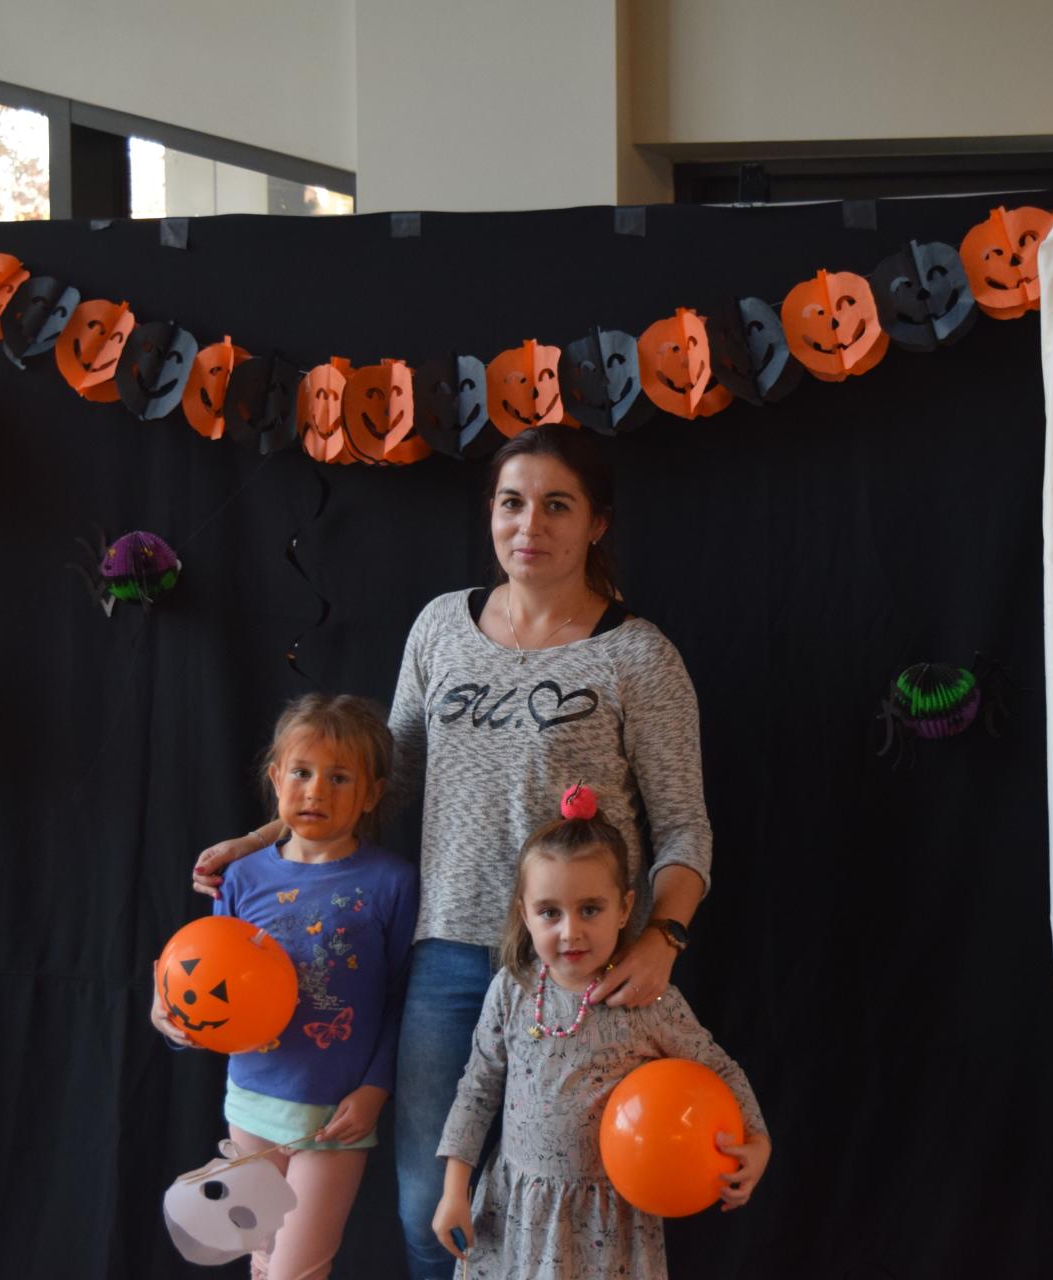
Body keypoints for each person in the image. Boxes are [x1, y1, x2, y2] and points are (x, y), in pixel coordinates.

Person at [192, 426, 715, 1279]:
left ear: (597, 523)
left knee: (571, 1206)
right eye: (512, 503)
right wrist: (263, 839)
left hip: (578, 964)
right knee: (428, 1210)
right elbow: (381, 778)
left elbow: (685, 826)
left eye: (557, 505)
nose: (529, 525)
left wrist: (664, 936)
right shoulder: (442, 627)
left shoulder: (638, 655)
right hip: (446, 955)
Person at [430, 788, 768, 1278]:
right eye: (550, 912)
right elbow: (478, 1090)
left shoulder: (647, 1000)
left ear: (625, 908)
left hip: (605, 1225)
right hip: (518, 1213)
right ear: (524, 913)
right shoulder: (511, 990)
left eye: (590, 909)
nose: (570, 931)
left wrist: (758, 1141)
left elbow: (719, 1069)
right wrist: (453, 1190)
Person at [154, 693, 419, 1280]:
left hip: (335, 1120)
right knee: (264, 1261)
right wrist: (171, 1019)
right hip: (251, 1106)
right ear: (276, 779)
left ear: (371, 794)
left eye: (339, 777)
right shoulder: (241, 877)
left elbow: (402, 995)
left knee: (297, 1271)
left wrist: (375, 1090)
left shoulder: (393, 883)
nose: (316, 790)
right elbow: (205, 976)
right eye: (301, 772)